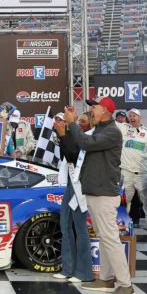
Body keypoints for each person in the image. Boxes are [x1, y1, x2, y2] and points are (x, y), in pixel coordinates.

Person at [64, 96, 135, 294]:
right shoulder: (102, 129)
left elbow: (85, 142)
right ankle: (106, 279)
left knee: (110, 239)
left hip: (104, 193)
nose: (91, 111)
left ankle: (126, 285)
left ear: (105, 110)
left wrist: (71, 123)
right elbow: (79, 143)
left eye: (94, 107)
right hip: (96, 191)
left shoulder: (112, 132)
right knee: (104, 238)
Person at [53, 111, 93, 283]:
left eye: (84, 121)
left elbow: (73, 155)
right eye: (80, 121)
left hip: (80, 186)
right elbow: (67, 156)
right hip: (71, 183)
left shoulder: (90, 137)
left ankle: (84, 272)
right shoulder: (74, 135)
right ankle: (68, 268)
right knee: (65, 226)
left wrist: (63, 135)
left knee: (80, 229)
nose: (81, 124)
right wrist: (63, 135)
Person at [116, 108, 147, 238]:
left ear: (140, 117)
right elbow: (110, 122)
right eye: (130, 116)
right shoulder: (124, 128)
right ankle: (122, 226)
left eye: (135, 115)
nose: (132, 117)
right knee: (124, 201)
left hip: (142, 173)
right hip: (126, 172)